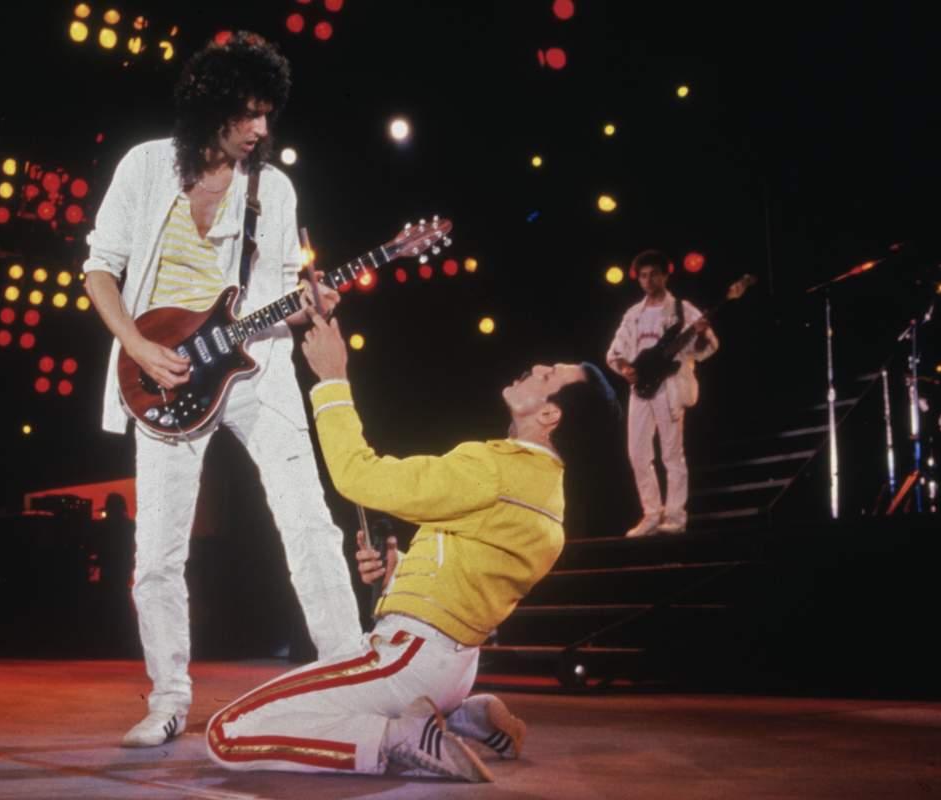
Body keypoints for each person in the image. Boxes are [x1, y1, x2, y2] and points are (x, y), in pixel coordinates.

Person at [82, 32, 361, 747]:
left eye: (269, 114)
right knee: (157, 555)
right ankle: (168, 697)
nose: (262, 130)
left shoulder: (274, 187)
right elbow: (98, 270)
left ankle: (351, 678)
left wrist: (310, 303)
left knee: (308, 523)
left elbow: (273, 295)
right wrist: (140, 346)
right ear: (212, 107)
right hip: (162, 374)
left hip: (253, 369)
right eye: (249, 114)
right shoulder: (146, 167)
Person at [205, 308, 620, 782]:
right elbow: (468, 575)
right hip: (452, 667)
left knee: (228, 732)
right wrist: (396, 569)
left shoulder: (496, 469)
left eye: (548, 376)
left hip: (409, 660)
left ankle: (399, 739)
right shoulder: (548, 499)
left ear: (549, 414)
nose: (536, 368)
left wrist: (332, 378)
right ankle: (464, 716)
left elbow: (358, 474)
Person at [606, 249, 718, 537]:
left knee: (671, 453)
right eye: (643, 275)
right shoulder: (633, 314)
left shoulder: (682, 309)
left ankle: (676, 516)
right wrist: (624, 367)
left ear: (665, 275)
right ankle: (652, 514)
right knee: (638, 453)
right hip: (641, 387)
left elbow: (707, 346)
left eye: (653, 273)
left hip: (668, 387)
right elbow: (616, 350)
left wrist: (702, 332)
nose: (648, 280)